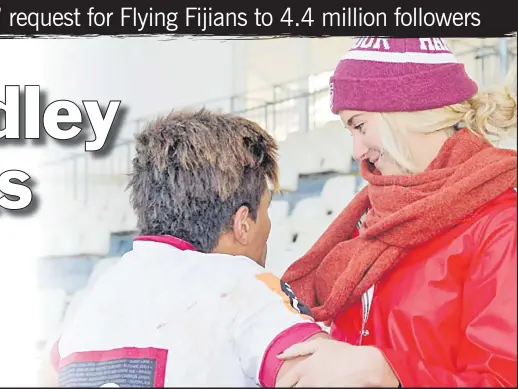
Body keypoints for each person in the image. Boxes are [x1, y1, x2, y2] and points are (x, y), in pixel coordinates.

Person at [276, 37, 517, 387]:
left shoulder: (501, 225)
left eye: (359, 125)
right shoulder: (376, 213)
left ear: (407, 110)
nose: (357, 150)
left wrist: (389, 373)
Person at [38, 109, 329, 387]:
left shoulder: (98, 296)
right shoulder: (241, 283)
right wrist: (373, 359)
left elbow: (45, 377)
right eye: (266, 210)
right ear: (243, 223)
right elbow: (348, 375)